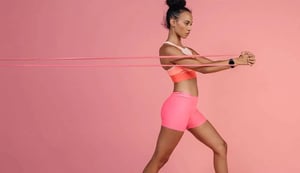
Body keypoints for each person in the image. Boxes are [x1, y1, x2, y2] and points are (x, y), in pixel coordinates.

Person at [143, 0, 256, 173]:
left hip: (190, 109)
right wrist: (235, 61)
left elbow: (209, 65)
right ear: (173, 22)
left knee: (220, 146)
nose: (189, 28)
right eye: (186, 23)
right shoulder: (167, 50)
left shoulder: (187, 50)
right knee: (160, 159)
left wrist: (237, 60)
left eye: (191, 24)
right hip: (178, 107)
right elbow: (201, 68)